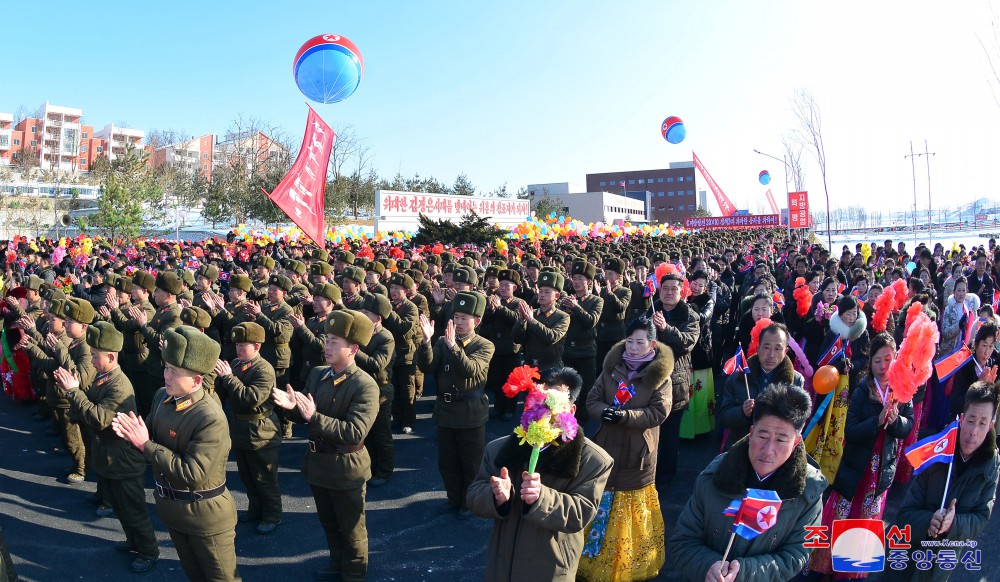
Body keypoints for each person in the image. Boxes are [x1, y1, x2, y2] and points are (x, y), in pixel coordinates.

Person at [112, 326, 240, 582]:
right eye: (166, 368)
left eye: (175, 371)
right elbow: (147, 431)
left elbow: (193, 474)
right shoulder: (163, 397)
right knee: (194, 575)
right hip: (174, 511)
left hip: (205, 518)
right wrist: (131, 433)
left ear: (196, 380)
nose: (166, 376)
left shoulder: (209, 417)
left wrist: (145, 445)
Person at [466, 367, 614, 582]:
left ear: (571, 411)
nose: (542, 412)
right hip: (502, 565)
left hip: (550, 568)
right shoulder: (499, 449)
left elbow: (581, 513)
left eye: (551, 404)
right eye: (536, 402)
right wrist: (495, 496)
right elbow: (473, 495)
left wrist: (542, 498)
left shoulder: (593, 460)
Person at [669, 383, 826, 582]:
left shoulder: (808, 490)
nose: (768, 450)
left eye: (781, 440)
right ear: (751, 432)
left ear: (796, 442)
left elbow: (796, 556)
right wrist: (709, 566)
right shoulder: (715, 475)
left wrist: (743, 572)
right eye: (762, 435)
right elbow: (683, 542)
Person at [273, 309, 378, 582]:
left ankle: (354, 573)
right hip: (319, 465)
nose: (327, 346)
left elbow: (355, 432)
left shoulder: (364, 385)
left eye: (334, 341)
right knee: (329, 523)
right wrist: (291, 408)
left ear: (353, 349)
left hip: (346, 469)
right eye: (327, 339)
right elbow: (305, 413)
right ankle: (336, 562)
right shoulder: (319, 374)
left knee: (352, 528)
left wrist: (312, 416)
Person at [54, 321, 159, 573]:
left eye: (95, 356)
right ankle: (133, 541)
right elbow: (89, 402)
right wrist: (75, 391)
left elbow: (100, 418)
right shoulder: (104, 377)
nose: (91, 360)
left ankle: (148, 551)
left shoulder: (119, 385)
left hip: (122, 458)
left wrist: (73, 392)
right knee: (121, 508)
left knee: (133, 510)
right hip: (110, 455)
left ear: (111, 357)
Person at [807, 332, 914, 577]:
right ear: (870, 362)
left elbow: (907, 427)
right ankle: (823, 563)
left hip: (881, 470)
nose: (883, 366)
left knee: (867, 517)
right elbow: (851, 431)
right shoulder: (862, 391)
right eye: (877, 361)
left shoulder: (902, 390)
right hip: (857, 465)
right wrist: (876, 420)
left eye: (888, 359)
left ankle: (852, 567)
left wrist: (897, 422)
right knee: (841, 513)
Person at [578, 317, 671, 581]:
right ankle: (593, 559)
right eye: (629, 341)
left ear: (651, 344)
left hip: (638, 454)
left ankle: (630, 565)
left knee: (630, 511)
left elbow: (658, 412)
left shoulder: (659, 374)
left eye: (639, 342)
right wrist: (604, 412)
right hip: (606, 447)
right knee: (602, 500)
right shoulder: (612, 367)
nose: (632, 347)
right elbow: (593, 398)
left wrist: (625, 417)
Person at [887, 381, 1000, 582]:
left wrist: (953, 524)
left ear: (991, 425)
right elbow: (905, 514)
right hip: (907, 557)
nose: (973, 431)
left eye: (983, 423)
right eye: (971, 420)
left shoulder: (991, 464)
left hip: (942, 564)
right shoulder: (938, 450)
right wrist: (929, 521)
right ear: (962, 418)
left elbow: (981, 518)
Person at [418, 291, 495, 519]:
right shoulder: (443, 340)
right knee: (448, 462)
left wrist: (453, 348)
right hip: (446, 411)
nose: (458, 322)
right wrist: (426, 342)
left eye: (464, 318)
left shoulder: (484, 345)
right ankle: (453, 498)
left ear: (477, 321)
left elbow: (470, 369)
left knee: (470, 463)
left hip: (470, 413)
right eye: (457, 316)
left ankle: (468, 502)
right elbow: (428, 366)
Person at [213, 321, 283, 535]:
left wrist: (228, 378)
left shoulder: (264, 369)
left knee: (264, 476)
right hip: (241, 428)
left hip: (261, 430)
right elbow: (224, 392)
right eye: (237, 344)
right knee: (247, 475)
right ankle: (255, 509)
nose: (238, 349)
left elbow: (250, 398)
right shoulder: (236, 363)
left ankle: (272, 514)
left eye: (244, 345)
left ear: (257, 347)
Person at [719, 323, 803, 450]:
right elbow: (725, 416)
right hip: (740, 447)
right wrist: (742, 411)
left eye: (777, 349)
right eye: (767, 347)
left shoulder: (795, 381)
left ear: (785, 351)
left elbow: (798, 423)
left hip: (775, 450)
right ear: (758, 348)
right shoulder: (738, 377)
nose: (771, 354)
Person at [650, 272, 699, 486]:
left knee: (670, 435)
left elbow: (687, 343)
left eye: (674, 289)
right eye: (665, 289)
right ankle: (647, 473)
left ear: (682, 291)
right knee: (650, 432)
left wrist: (666, 329)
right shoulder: (650, 310)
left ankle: (666, 477)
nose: (669, 293)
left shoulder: (691, 316)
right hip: (650, 380)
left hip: (675, 381)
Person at [682, 270, 716, 439]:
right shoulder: (683, 297)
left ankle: (701, 430)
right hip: (685, 351)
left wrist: (687, 308)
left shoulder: (708, 301)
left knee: (700, 393)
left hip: (701, 351)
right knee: (685, 393)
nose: (696, 288)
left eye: (700, 285)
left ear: (705, 288)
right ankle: (685, 430)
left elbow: (703, 317)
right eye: (694, 283)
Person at [948, 322, 998, 418]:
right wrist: (977, 387)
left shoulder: (992, 365)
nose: (986, 352)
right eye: (984, 345)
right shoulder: (964, 367)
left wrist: (992, 389)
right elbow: (955, 404)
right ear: (976, 344)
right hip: (964, 419)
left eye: (991, 346)